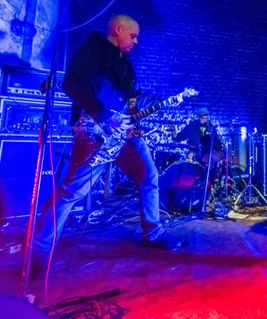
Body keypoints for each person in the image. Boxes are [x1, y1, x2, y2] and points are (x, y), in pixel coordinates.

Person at [32, 15, 182, 277]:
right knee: (71, 192)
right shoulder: (94, 50)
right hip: (95, 132)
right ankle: (39, 252)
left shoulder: (125, 62)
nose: (136, 41)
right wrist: (105, 116)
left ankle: (153, 232)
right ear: (118, 29)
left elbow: (133, 99)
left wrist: (160, 103)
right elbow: (72, 84)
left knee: (149, 176)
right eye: (133, 36)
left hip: (126, 134)